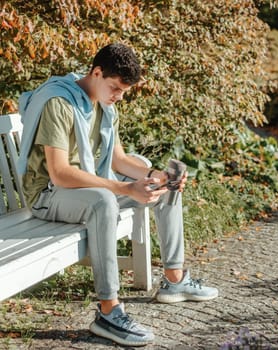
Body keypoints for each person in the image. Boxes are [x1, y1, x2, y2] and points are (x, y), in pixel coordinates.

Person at [16, 43, 218, 347]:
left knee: (161, 191)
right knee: (104, 200)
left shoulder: (104, 104)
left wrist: (157, 177)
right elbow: (59, 173)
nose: (118, 96)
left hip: (81, 191)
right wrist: (124, 188)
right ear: (96, 73)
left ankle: (175, 281)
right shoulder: (59, 103)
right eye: (115, 88)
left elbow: (118, 160)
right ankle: (109, 312)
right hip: (49, 195)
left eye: (123, 91)